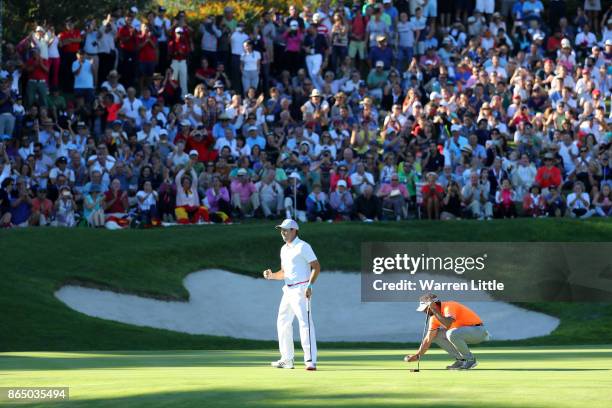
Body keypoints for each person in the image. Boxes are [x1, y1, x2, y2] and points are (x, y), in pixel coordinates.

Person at [263, 218, 320, 371]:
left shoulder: (303, 246)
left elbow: (316, 267)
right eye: (281, 229)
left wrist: (310, 285)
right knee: (282, 322)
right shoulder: (284, 249)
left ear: (295, 231)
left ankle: (310, 360)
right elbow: (284, 273)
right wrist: (272, 276)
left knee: (305, 323)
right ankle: (287, 359)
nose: (283, 232)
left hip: (301, 289)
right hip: (288, 290)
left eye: (286, 229)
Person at [404, 293, 489, 370]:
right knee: (436, 335)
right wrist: (418, 355)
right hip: (461, 334)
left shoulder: (449, 306)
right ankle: (461, 360)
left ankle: (470, 360)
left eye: (426, 309)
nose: (424, 312)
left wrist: (433, 309)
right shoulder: (434, 317)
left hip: (478, 332)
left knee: (451, 333)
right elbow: (428, 339)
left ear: (433, 305)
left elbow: (448, 323)